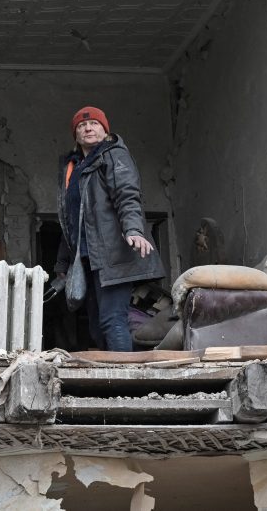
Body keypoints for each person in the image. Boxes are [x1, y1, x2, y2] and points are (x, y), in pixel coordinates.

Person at [54, 106, 166, 351]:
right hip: (87, 258)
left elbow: (127, 195)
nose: (88, 128)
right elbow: (71, 220)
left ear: (105, 130)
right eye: (82, 126)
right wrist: (63, 264)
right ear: (76, 135)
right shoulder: (73, 170)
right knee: (95, 323)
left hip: (114, 253)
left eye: (94, 123)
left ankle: (126, 381)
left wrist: (134, 230)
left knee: (112, 319)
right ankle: (112, 379)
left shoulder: (114, 155)